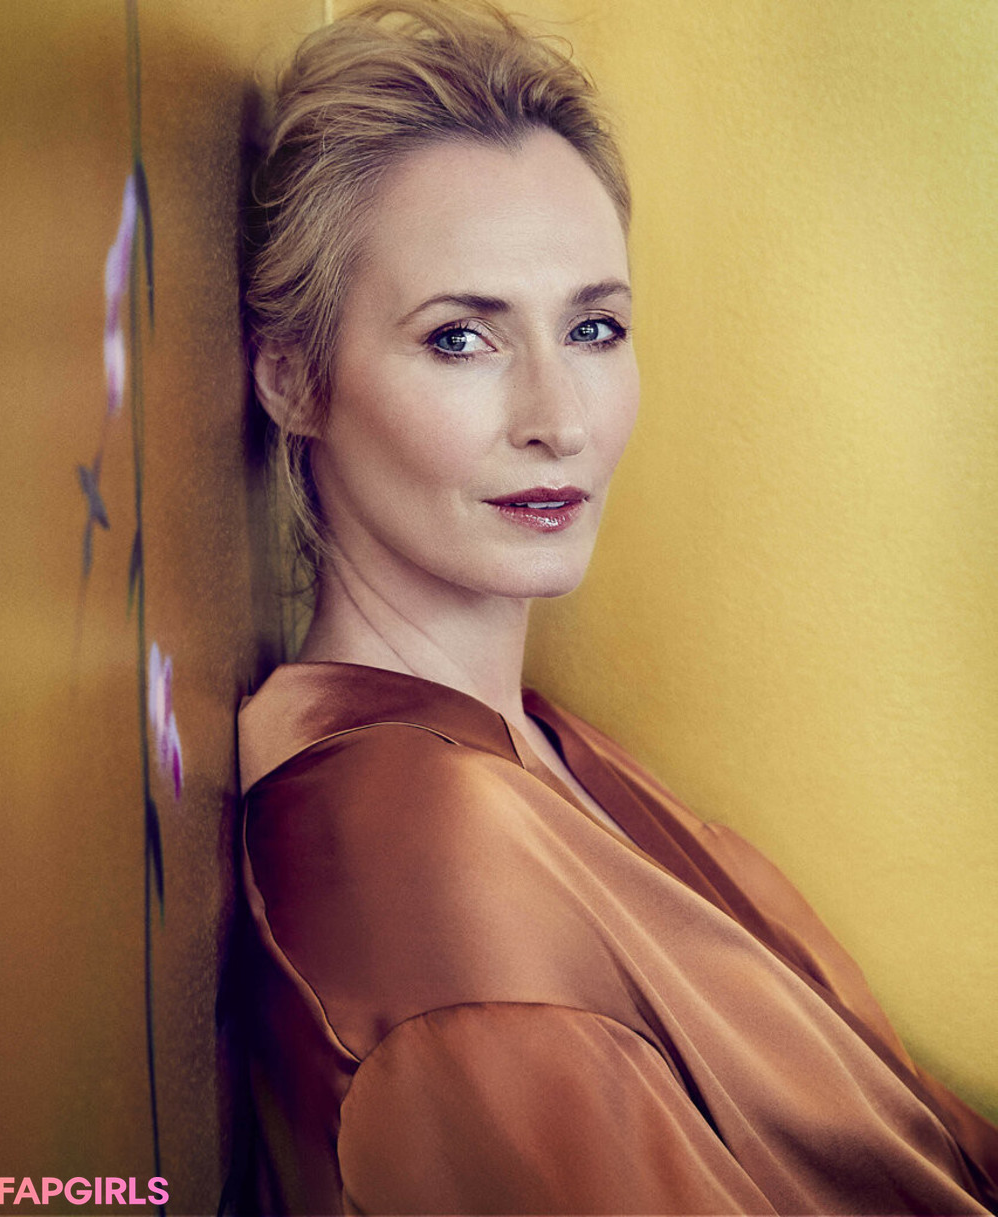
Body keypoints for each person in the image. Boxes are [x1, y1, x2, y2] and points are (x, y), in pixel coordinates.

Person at [235, 2, 998, 1212]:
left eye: (593, 327)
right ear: (294, 378)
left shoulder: (539, 751)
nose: (561, 417)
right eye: (461, 337)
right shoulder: (417, 860)